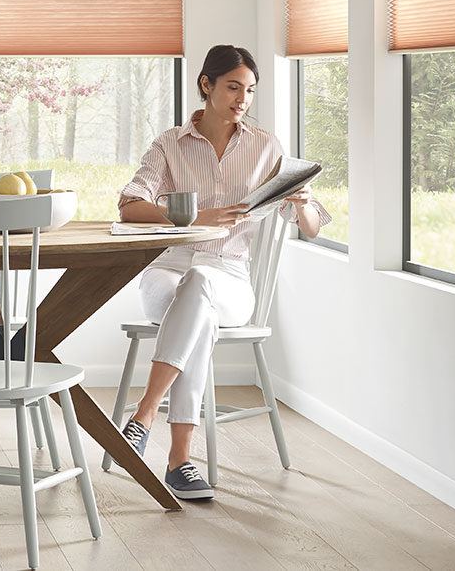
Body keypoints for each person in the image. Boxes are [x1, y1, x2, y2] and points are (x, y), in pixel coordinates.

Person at [117, 44, 331, 500]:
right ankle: (179, 463)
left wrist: (303, 200)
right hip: (166, 272)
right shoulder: (169, 145)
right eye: (233, 87)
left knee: (202, 290)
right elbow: (130, 205)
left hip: (231, 276)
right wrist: (197, 217)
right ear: (206, 85)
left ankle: (145, 414)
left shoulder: (265, 146)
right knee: (198, 311)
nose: (242, 99)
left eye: (250, 90)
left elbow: (310, 230)